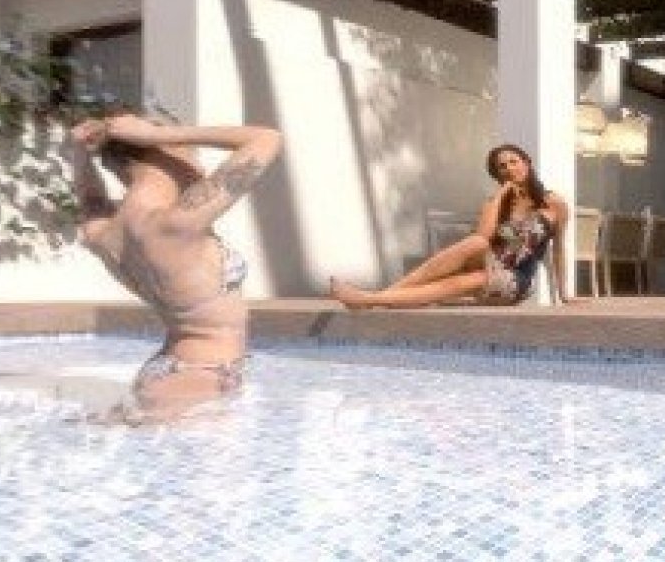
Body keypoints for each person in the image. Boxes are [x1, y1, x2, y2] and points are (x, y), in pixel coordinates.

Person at [68, 112, 285, 421]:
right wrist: (159, 135)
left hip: (167, 369)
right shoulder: (178, 222)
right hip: (203, 374)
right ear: (162, 153)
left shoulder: (102, 231)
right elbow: (266, 138)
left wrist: (79, 153)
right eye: (189, 150)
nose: (199, 163)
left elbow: (90, 197)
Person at [331, 143, 567, 309]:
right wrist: (499, 197)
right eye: (502, 166)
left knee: (458, 282)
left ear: (527, 163)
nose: (509, 169)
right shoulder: (494, 204)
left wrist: (564, 295)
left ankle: (369, 300)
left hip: (516, 278)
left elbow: (558, 250)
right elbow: (483, 237)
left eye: (514, 162)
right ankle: (380, 297)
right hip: (491, 261)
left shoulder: (554, 204)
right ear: (497, 174)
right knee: (476, 242)